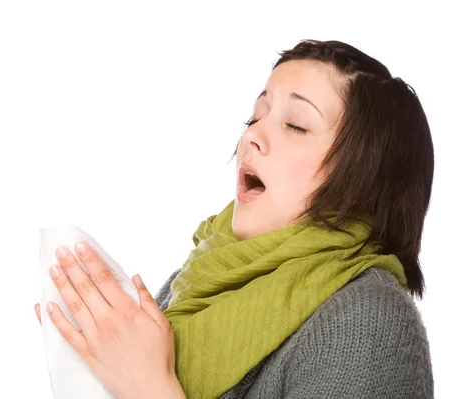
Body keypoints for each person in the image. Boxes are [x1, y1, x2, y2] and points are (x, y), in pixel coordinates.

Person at [36, 39, 434, 399]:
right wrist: (85, 372)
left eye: (296, 124)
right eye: (254, 119)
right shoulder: (189, 284)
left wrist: (148, 388)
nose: (252, 137)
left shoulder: (368, 319)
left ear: (363, 183)